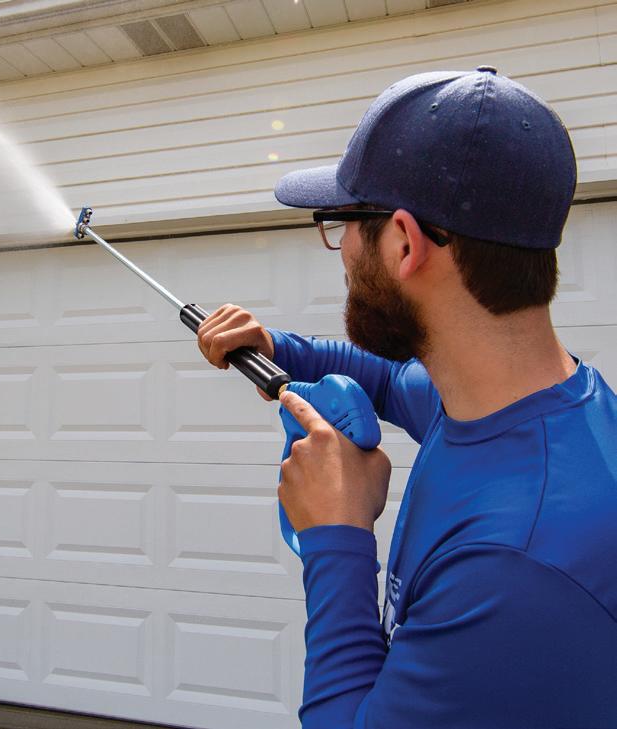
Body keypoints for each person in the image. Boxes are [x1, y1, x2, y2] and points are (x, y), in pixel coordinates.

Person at [197, 68, 617, 728]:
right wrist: (273, 346)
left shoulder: (515, 565)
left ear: (402, 242)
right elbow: (391, 380)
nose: (340, 249)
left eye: (342, 223)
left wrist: (335, 534)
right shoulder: (503, 402)